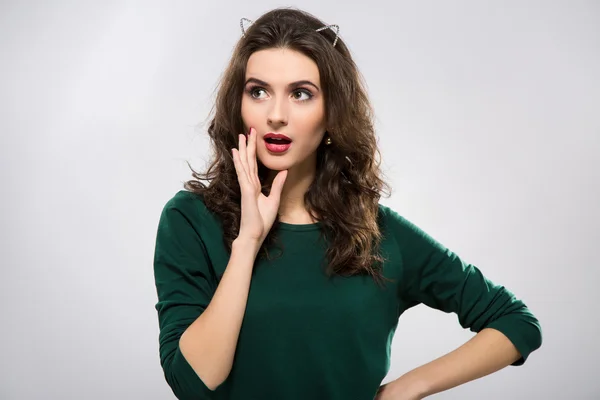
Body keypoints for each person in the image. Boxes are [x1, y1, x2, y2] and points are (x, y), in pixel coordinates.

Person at [152, 7, 542, 400]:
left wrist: (407, 388)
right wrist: (248, 241)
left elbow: (515, 322)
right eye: (258, 91)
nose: (276, 115)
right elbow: (194, 382)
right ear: (239, 104)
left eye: (301, 94)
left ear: (331, 115)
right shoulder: (190, 221)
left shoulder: (378, 235)